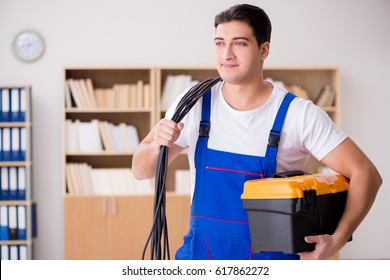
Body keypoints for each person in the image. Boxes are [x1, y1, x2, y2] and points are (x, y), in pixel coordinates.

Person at [132, 4, 382, 260]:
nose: (226, 54)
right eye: (219, 43)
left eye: (239, 44)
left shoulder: (298, 114)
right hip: (201, 258)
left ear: (264, 50)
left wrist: (337, 239)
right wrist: (155, 147)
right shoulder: (194, 102)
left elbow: (366, 174)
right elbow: (141, 170)